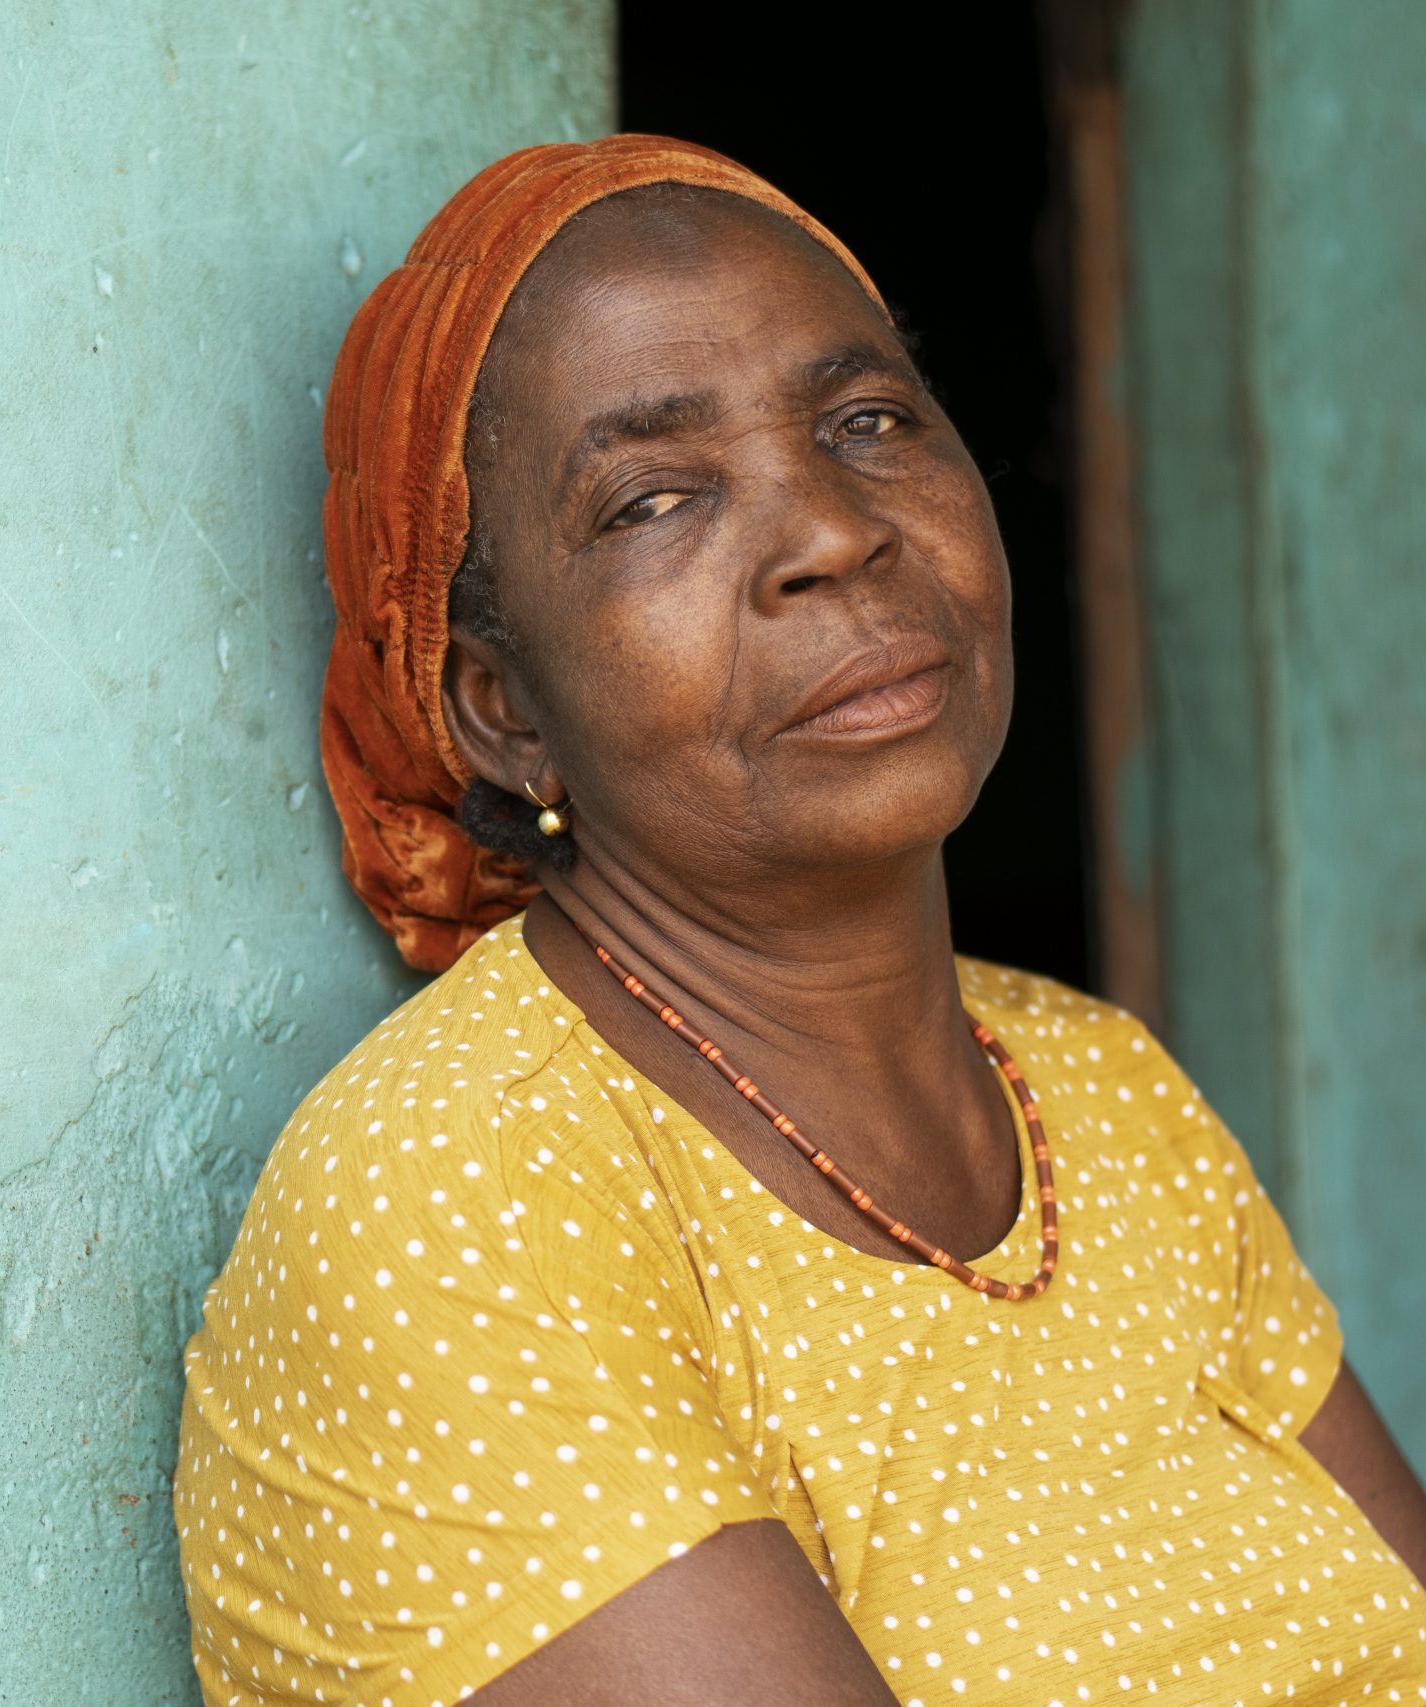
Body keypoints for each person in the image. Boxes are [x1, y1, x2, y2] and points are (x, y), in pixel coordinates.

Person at [170, 136, 1426, 1705]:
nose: (835, 531)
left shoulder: (1100, 1093)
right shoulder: (456, 1210)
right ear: (502, 712)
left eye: (870, 420)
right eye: (651, 500)